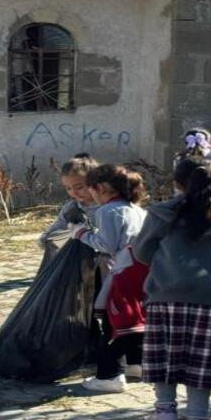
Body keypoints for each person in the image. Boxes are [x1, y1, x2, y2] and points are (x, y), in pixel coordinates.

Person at [134, 157, 211, 420]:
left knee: (167, 355)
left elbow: (142, 252)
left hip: (167, 295)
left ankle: (165, 413)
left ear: (177, 183)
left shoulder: (161, 214)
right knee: (201, 363)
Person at [74, 164, 148, 393]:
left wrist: (82, 234)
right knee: (135, 317)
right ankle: (137, 363)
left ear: (102, 188)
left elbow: (106, 244)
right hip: (141, 270)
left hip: (121, 270)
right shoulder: (136, 209)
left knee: (112, 321)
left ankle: (109, 375)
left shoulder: (107, 211)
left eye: (91, 189)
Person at [37, 153, 100, 262]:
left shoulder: (108, 206)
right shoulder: (72, 207)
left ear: (96, 183)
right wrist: (45, 238)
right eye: (68, 188)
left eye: (79, 187)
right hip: (82, 260)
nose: (74, 192)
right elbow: (60, 224)